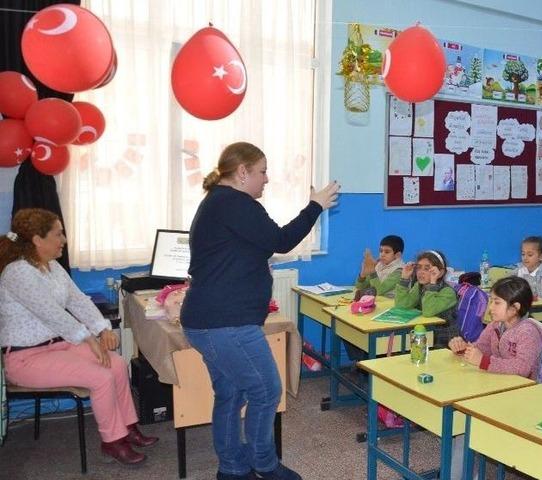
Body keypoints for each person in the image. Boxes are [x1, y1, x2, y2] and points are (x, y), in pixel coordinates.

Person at [180, 142, 339, 480]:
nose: (266, 179)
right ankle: (264, 466)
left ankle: (233, 469)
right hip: (226, 322)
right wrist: (315, 206)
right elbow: (280, 240)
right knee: (266, 390)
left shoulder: (219, 202)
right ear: (242, 173)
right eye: (262, 171)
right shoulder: (236, 204)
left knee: (231, 392)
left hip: (209, 320)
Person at [0, 208, 157, 466]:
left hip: (58, 347)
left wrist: (102, 328)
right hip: (23, 359)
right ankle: (112, 442)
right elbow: (52, 315)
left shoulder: (51, 267)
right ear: (38, 240)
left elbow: (79, 301)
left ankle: (128, 428)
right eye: (58, 234)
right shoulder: (17, 273)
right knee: (101, 376)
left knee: (116, 363)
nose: (63, 240)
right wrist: (89, 339)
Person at [447, 276, 542, 479]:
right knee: (463, 422)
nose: (490, 307)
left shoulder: (527, 331)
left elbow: (522, 368)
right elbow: (480, 347)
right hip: (499, 389)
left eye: (496, 302)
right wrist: (463, 347)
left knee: (466, 426)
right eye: (491, 300)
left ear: (515, 307)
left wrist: (484, 362)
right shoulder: (495, 326)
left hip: (523, 398)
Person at [395, 250, 458, 347]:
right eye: (418, 268)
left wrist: (432, 284)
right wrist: (404, 279)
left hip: (443, 339)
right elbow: (402, 305)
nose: (421, 272)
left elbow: (428, 311)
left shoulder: (448, 292)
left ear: (440, 273)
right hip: (423, 333)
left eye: (427, 269)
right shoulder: (420, 286)